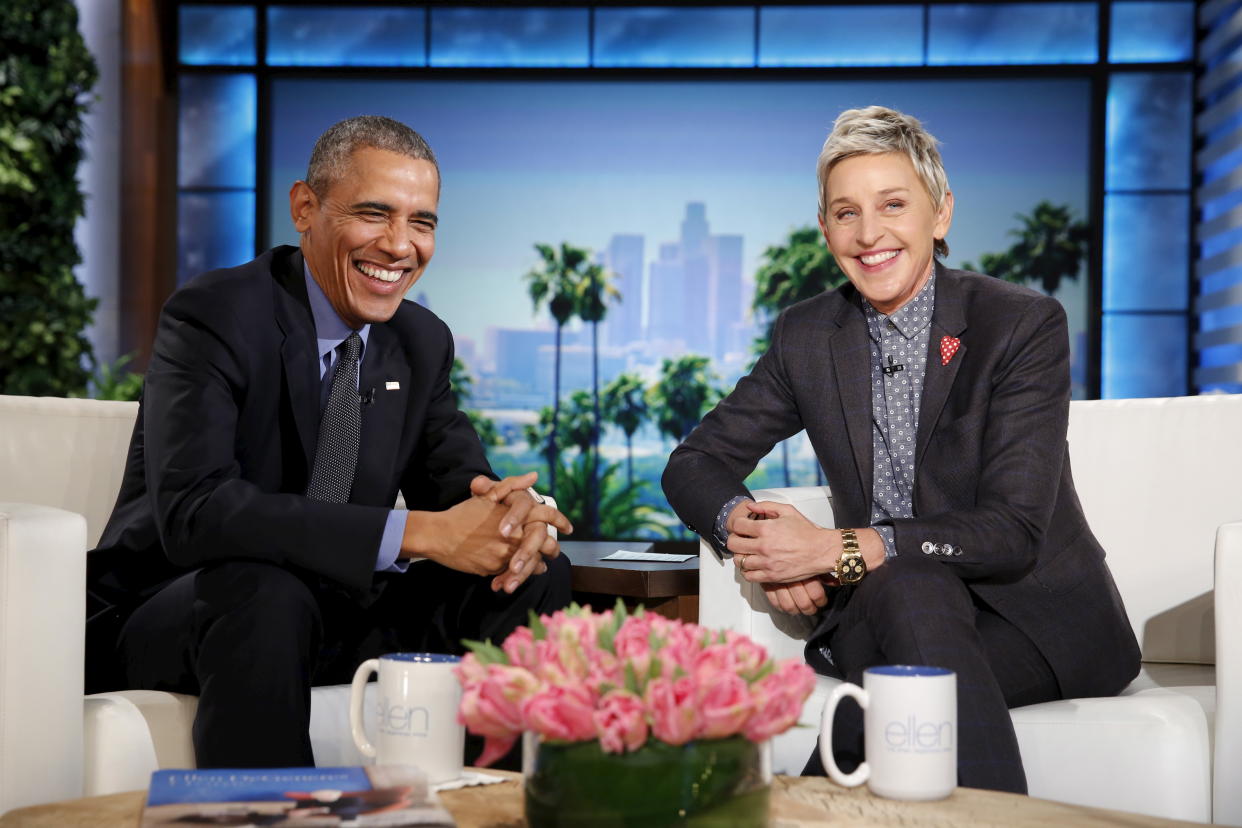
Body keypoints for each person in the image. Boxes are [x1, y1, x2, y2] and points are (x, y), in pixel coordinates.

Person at [661, 105, 1140, 794]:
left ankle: (783, 804)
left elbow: (1012, 530)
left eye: (893, 204)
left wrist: (837, 550)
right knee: (909, 597)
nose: (869, 233)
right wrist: (757, 535)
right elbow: (694, 464)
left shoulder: (1019, 324)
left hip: (1036, 623)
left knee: (895, 652)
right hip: (885, 612)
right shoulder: (809, 336)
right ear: (826, 230)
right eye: (845, 212)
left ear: (940, 214)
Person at [86, 115, 574, 768]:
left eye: (422, 222)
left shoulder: (420, 341)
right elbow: (196, 512)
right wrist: (419, 534)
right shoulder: (215, 315)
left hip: (335, 610)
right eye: (375, 214)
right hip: (182, 609)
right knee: (266, 591)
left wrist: (513, 519)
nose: (400, 246)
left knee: (532, 577)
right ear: (305, 207)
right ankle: (272, 817)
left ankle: (500, 806)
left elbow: (461, 485)